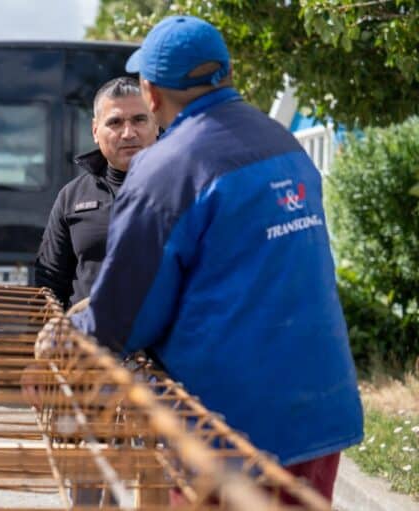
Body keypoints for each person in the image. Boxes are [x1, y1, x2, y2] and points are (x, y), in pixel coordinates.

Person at [64, 15, 363, 503]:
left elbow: (125, 320)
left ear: (151, 94)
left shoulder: (167, 168)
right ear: (225, 74)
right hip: (320, 407)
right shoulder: (281, 141)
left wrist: (71, 333)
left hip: (233, 430)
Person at [34, 77, 158, 308]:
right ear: (95, 130)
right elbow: (48, 284)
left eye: (139, 120)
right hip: (87, 341)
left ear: (156, 123)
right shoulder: (72, 198)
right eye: (115, 123)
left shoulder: (185, 190)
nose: (128, 133)